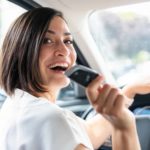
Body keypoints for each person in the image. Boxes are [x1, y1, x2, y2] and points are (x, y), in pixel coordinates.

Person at [0, 7, 141, 150]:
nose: (64, 51)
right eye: (47, 40)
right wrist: (124, 127)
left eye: (67, 41)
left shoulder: (17, 104)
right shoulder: (50, 118)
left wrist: (130, 90)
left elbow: (88, 134)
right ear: (21, 52)